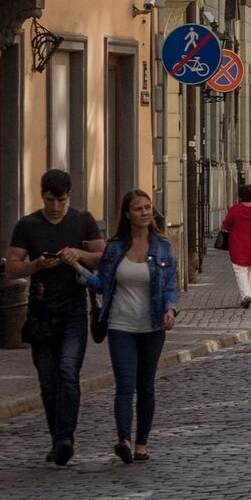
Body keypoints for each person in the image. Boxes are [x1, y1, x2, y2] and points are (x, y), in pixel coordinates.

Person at [6, 168, 105, 467]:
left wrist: (78, 253)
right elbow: (12, 265)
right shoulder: (28, 225)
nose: (54, 207)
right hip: (41, 314)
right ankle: (57, 438)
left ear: (69, 196)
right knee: (48, 382)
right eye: (49, 200)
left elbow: (103, 257)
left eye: (60, 200)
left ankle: (66, 438)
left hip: (74, 311)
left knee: (67, 373)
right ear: (42, 196)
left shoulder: (83, 220)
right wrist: (36, 265)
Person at [83, 189, 178, 465]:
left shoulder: (162, 246)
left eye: (148, 207)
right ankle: (123, 440)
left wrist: (170, 309)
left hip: (152, 327)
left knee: (145, 386)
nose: (145, 212)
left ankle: (141, 444)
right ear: (127, 213)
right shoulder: (114, 248)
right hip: (120, 325)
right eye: (138, 208)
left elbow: (170, 285)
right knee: (125, 385)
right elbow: (102, 284)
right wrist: (80, 271)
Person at [220, 184, 251, 308]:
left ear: (240, 196)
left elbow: (226, 225)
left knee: (240, 271)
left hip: (238, 245)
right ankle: (247, 295)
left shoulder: (235, 210)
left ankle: (246, 295)